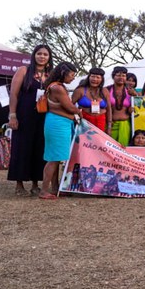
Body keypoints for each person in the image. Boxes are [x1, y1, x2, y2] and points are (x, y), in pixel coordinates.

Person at [7, 44, 53, 196]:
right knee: (22, 147)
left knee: (40, 148)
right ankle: (19, 185)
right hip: (24, 115)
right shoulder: (24, 71)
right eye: (39, 53)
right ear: (34, 55)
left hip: (43, 116)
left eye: (45, 54)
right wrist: (12, 115)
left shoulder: (50, 75)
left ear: (49, 58)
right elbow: (13, 94)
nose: (42, 56)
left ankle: (35, 183)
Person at [40, 61, 80, 200]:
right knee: (53, 159)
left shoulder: (55, 86)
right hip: (58, 125)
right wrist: (79, 112)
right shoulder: (58, 88)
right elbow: (70, 107)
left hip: (58, 123)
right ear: (63, 73)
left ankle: (55, 188)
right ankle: (44, 190)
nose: (73, 78)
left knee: (56, 158)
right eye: (72, 75)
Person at [71, 68, 111, 132]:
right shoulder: (80, 90)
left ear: (102, 79)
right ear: (89, 77)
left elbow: (109, 109)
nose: (95, 79)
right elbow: (70, 105)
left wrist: (109, 126)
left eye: (98, 77)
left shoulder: (105, 91)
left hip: (101, 121)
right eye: (92, 76)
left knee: (98, 141)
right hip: (84, 121)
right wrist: (76, 116)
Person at [107, 66, 133, 146]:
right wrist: (109, 126)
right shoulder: (107, 90)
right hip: (111, 124)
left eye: (123, 76)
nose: (121, 78)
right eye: (118, 75)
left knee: (123, 149)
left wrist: (131, 108)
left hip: (125, 124)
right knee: (109, 148)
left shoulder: (130, 91)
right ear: (113, 76)